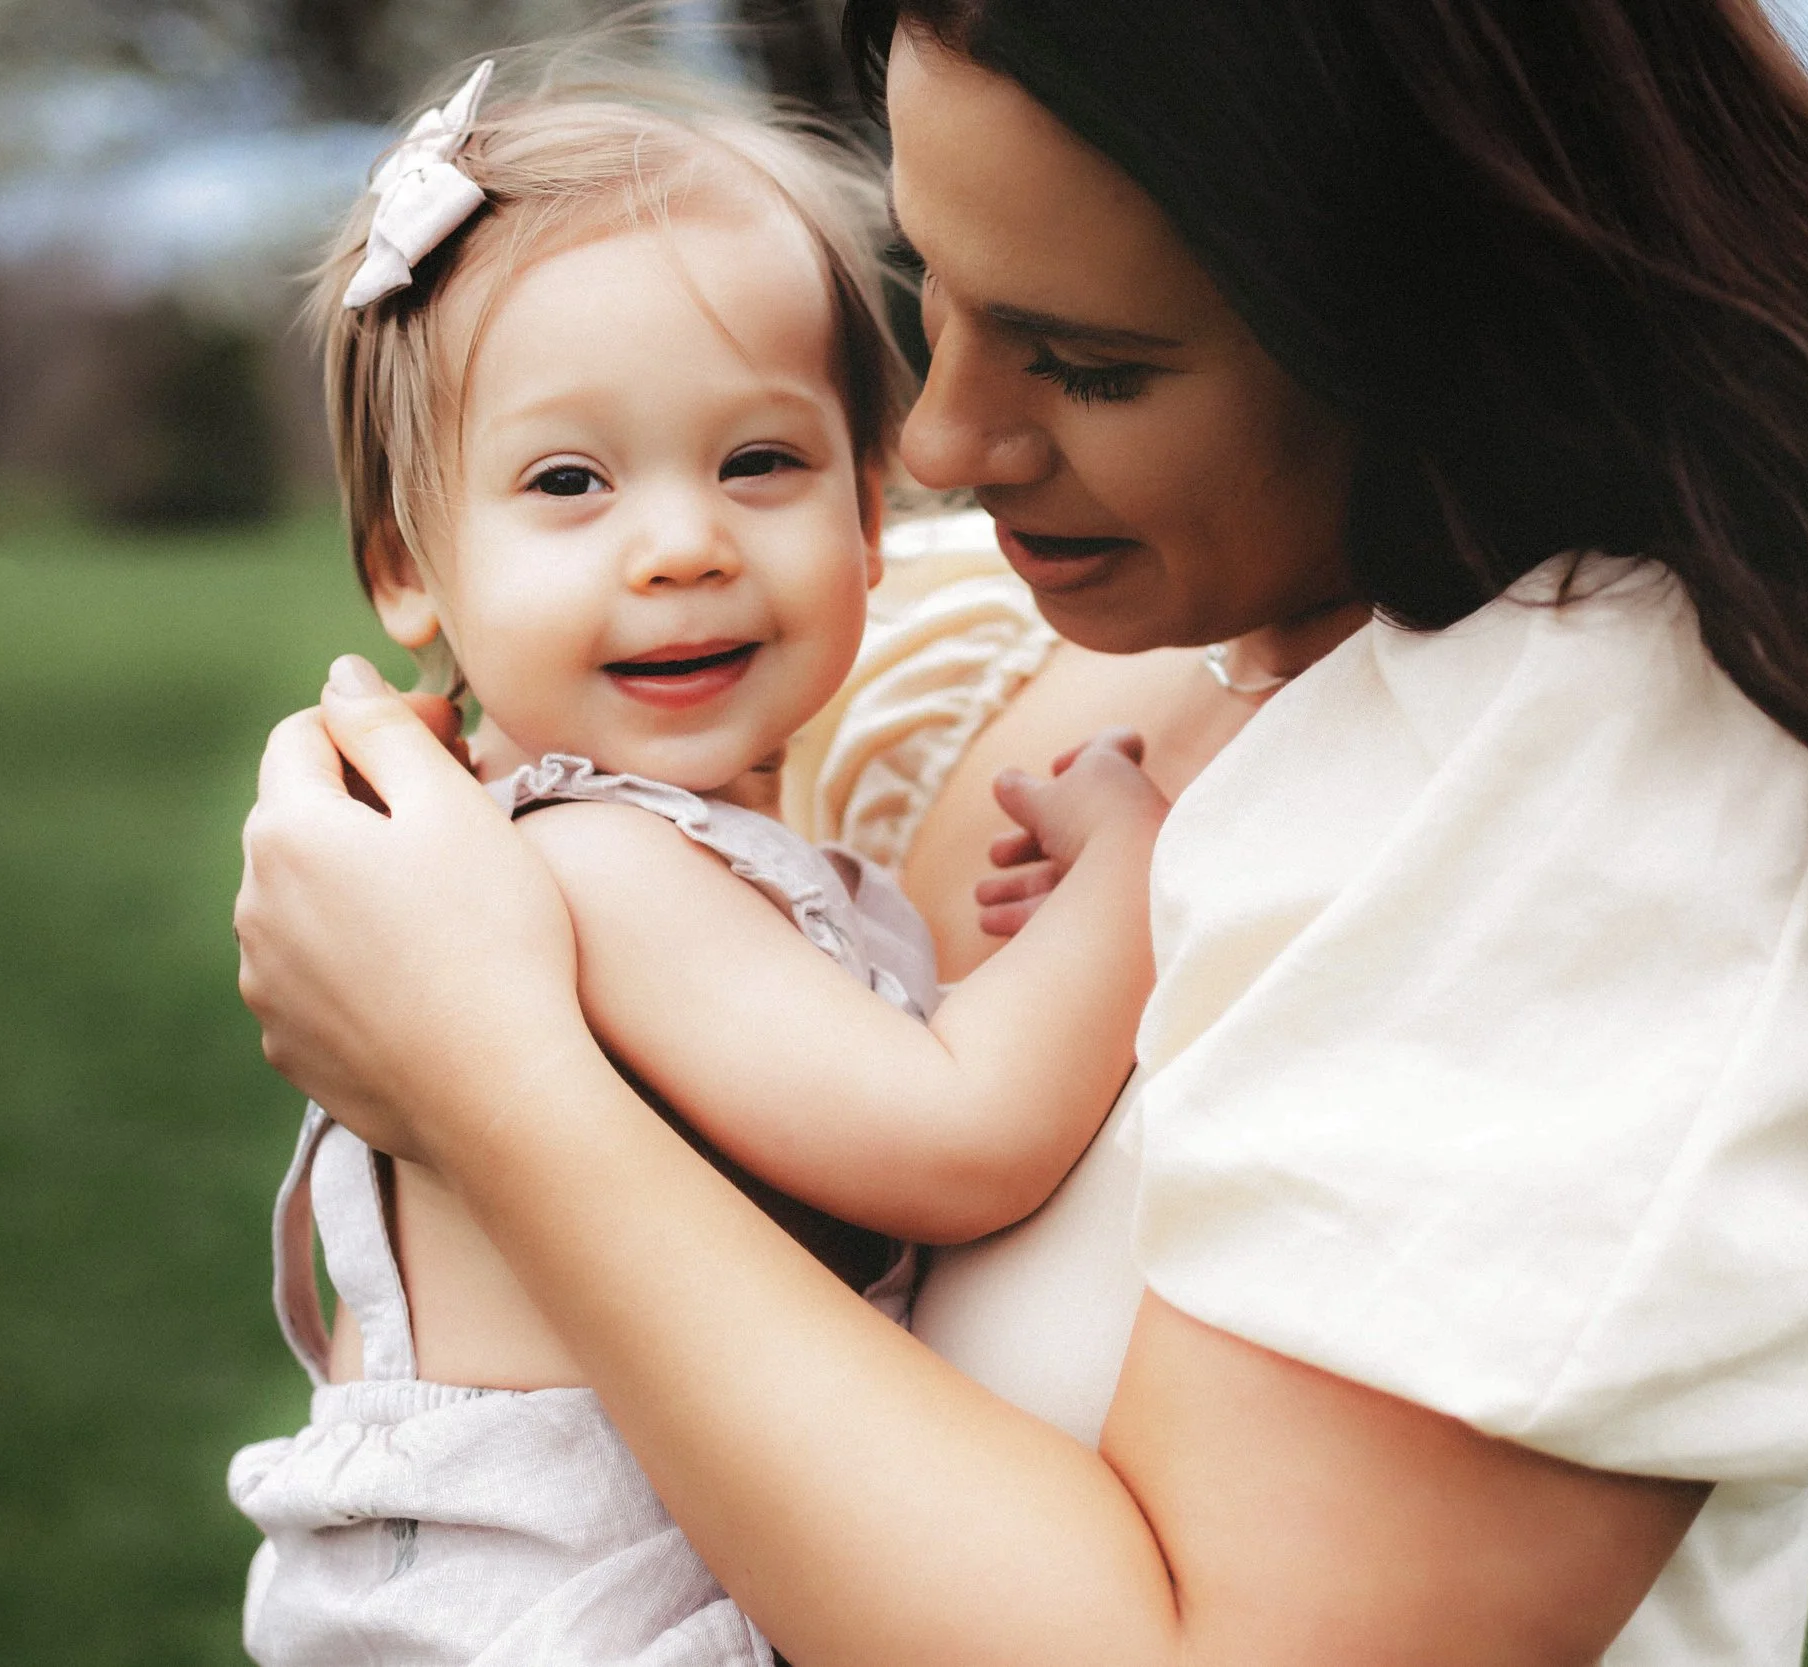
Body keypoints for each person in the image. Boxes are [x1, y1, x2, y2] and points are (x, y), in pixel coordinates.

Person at [233, 3, 1808, 1662]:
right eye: (940, 303)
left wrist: (488, 1073)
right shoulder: (962, 638)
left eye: (1090, 360)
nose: (935, 446)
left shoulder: (1636, 812)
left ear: (1433, 333)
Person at [226, 54, 1169, 1667]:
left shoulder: (694, 857)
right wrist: (1133, 875)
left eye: (759, 463)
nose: (683, 544)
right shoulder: (590, 864)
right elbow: (963, 1134)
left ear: (873, 518)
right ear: (406, 560)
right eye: (570, 482)